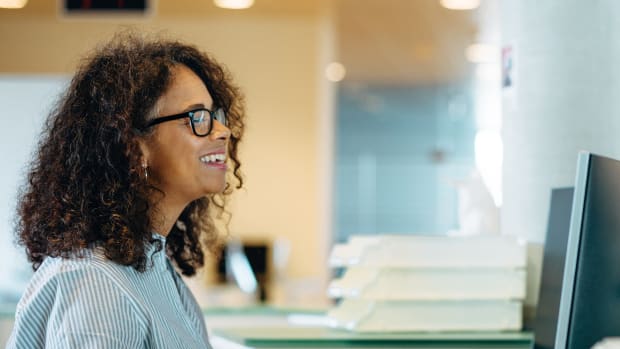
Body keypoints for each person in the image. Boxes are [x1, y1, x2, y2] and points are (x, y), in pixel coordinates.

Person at [6, 31, 245, 348]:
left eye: (216, 115)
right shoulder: (96, 282)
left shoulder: (151, 260)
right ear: (135, 145)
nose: (223, 131)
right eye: (198, 117)